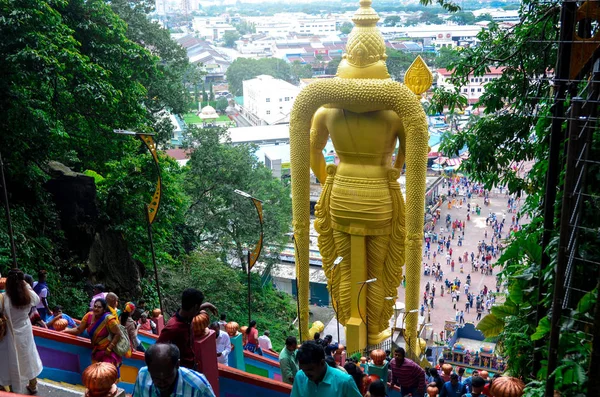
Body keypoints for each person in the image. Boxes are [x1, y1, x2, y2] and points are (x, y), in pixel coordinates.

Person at [0, 269, 44, 394]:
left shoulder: (3, 298)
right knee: (28, 357)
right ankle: (33, 384)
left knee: (9, 359)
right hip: (25, 331)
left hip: (10, 334)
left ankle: (8, 386)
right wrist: (26, 285)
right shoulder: (29, 296)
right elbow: (36, 300)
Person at [157, 288, 216, 369]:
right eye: (198, 307)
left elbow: (194, 310)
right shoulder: (173, 328)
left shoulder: (188, 316)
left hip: (192, 363)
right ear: (195, 307)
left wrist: (207, 305)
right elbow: (157, 349)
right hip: (182, 369)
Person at [132, 343, 215, 397]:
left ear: (177, 365)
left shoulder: (198, 387)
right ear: (149, 368)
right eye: (156, 378)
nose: (162, 383)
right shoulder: (142, 375)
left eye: (167, 376)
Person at [64, 298, 125, 370]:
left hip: (109, 352)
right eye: (95, 306)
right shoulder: (89, 316)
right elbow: (79, 329)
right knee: (96, 374)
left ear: (104, 309)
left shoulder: (109, 319)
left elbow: (118, 333)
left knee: (107, 375)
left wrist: (109, 348)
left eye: (99, 307)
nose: (96, 309)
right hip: (97, 351)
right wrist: (65, 331)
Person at [291, 341, 362, 397]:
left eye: (310, 370)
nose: (306, 374)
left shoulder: (345, 381)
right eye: (303, 370)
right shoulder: (300, 376)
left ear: (322, 363)